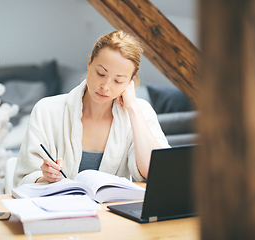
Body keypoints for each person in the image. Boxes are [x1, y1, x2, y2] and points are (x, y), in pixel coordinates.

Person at [13, 30, 170, 187]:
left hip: (109, 211)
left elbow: (159, 173)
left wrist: (134, 110)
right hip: (58, 209)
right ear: (89, 63)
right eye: (101, 73)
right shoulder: (46, 110)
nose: (105, 87)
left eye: (118, 80)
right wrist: (45, 177)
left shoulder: (140, 112)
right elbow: (24, 178)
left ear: (130, 81)